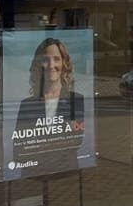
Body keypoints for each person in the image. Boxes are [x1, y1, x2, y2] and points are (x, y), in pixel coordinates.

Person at [12, 38, 85, 177]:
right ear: (39, 65)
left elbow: (75, 142)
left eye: (56, 59)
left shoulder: (76, 100)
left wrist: (39, 146)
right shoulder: (27, 104)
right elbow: (19, 146)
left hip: (66, 174)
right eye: (46, 59)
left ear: (64, 63)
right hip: (34, 175)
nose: (52, 65)